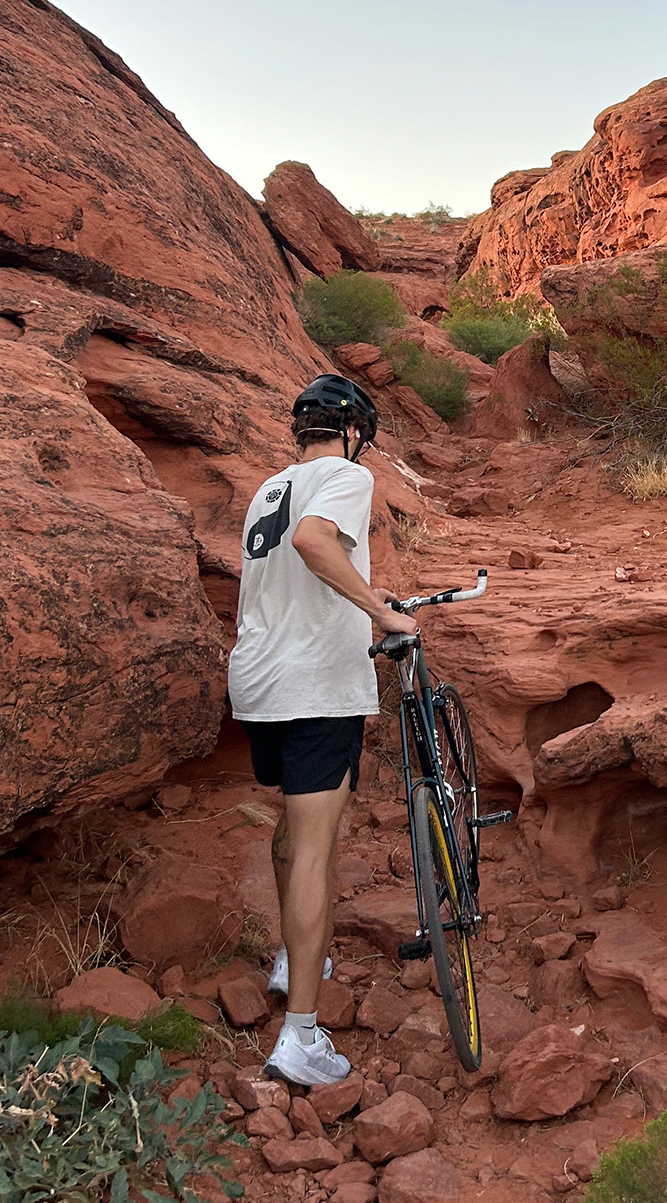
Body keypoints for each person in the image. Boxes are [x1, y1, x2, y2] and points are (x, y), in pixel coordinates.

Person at [227, 374, 408, 1086]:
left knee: (290, 829)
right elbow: (314, 542)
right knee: (315, 848)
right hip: (316, 688)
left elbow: (295, 566)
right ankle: (299, 1037)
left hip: (262, 681)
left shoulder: (269, 488)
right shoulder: (346, 476)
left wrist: (366, 590)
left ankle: (290, 955)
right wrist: (380, 613)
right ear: (355, 432)